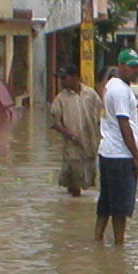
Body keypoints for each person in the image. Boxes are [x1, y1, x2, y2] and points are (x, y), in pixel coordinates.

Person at [94, 49, 138, 246]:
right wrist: (137, 157)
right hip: (120, 156)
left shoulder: (112, 85)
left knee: (105, 203)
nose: (136, 70)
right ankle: (119, 246)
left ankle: (98, 240)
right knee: (120, 209)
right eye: (132, 66)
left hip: (107, 153)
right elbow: (124, 124)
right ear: (121, 66)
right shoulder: (121, 90)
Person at [48, 64, 102, 197]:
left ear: (75, 78)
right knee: (74, 180)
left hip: (90, 143)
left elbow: (100, 116)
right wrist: (68, 134)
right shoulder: (60, 99)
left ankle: (76, 205)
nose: (61, 81)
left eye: (64, 78)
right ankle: (73, 204)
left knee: (87, 178)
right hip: (72, 146)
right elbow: (55, 123)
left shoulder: (91, 94)